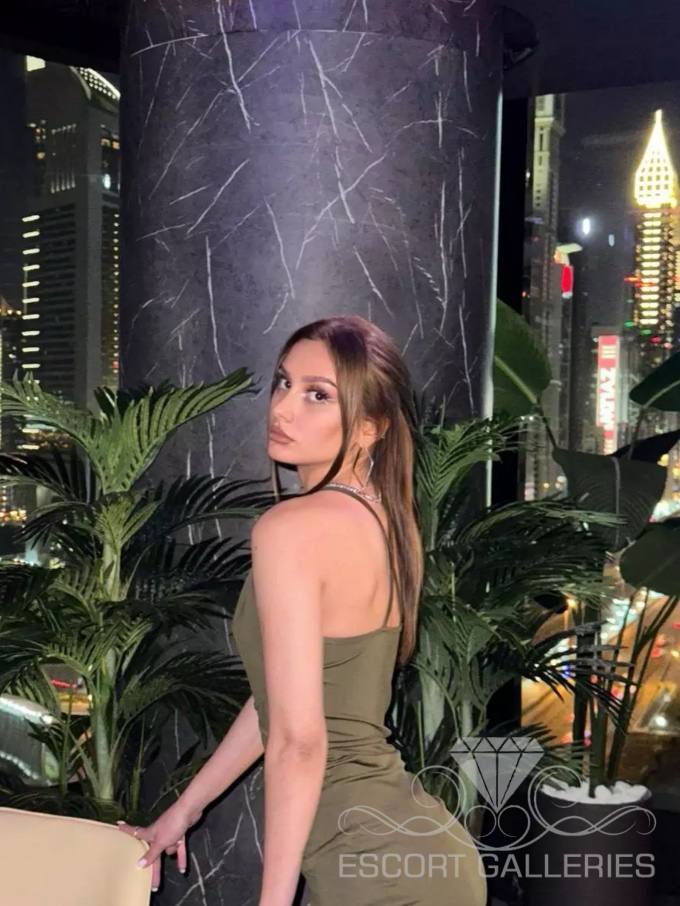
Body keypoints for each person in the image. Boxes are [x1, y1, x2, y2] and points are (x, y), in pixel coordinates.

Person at [119, 315, 487, 905]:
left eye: (318, 395)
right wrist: (184, 811)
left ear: (369, 428)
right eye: (284, 383)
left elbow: (299, 741)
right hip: (415, 850)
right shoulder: (386, 519)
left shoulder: (293, 528)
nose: (283, 408)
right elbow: (279, 704)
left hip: (370, 864)